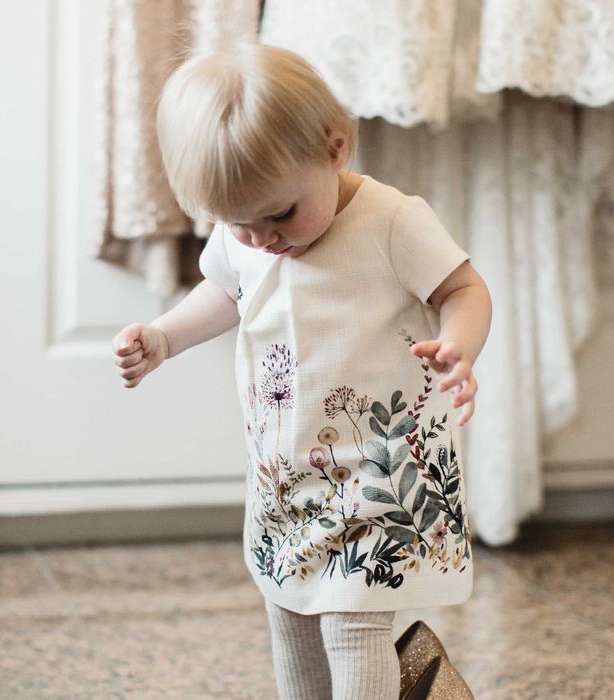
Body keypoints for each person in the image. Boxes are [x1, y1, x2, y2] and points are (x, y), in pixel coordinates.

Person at [111, 42, 492, 700]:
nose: (263, 240)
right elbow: (226, 291)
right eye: (239, 225)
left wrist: (459, 344)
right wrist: (164, 337)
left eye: (280, 215)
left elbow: (463, 289)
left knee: (352, 623)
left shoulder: (392, 221)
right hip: (288, 481)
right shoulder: (248, 232)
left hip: (377, 473)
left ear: (335, 147)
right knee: (288, 612)